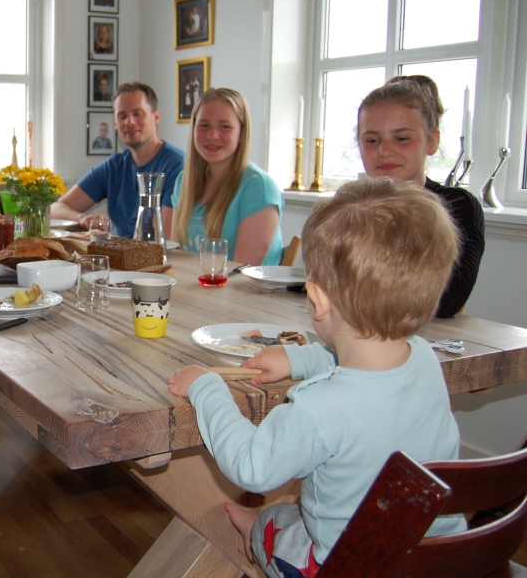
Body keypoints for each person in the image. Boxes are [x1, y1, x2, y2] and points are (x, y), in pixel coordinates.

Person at [167, 178, 466, 576]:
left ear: (318, 299)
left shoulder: (319, 410)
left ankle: (258, 532)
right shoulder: (425, 359)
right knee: (298, 507)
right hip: (442, 559)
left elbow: (252, 467)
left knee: (276, 516)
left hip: (350, 567)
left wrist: (207, 387)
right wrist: (297, 358)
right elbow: (363, 372)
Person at [357, 75, 485, 317]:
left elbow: (446, 301)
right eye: (372, 140)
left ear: (432, 141)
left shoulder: (458, 207)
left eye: (402, 138)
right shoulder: (349, 207)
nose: (385, 151)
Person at [53, 82, 184, 237]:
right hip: (120, 255)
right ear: (115, 123)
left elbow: (167, 240)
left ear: (156, 117)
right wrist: (82, 219)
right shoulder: (114, 166)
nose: (129, 122)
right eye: (122, 116)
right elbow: (55, 209)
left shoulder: (177, 166)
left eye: (137, 114)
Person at [171, 88, 284, 265]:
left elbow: (241, 273)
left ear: (241, 133)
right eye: (204, 125)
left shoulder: (259, 187)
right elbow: (176, 258)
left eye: (225, 127)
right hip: (192, 289)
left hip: (243, 291)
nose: (212, 135)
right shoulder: (183, 181)